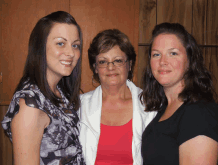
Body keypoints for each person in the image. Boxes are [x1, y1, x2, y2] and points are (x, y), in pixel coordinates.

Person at [1, 11, 85, 165]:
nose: (71, 53)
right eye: (60, 43)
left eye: (75, 45)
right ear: (40, 47)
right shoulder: (30, 106)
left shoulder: (61, 92)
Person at [141, 22, 218, 165]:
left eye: (173, 53)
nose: (163, 61)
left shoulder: (199, 113)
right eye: (156, 54)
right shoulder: (164, 108)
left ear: (189, 60)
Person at [79, 29, 157, 165]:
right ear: (95, 67)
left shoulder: (151, 105)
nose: (111, 67)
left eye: (118, 61)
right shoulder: (79, 106)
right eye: (103, 62)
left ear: (130, 64)